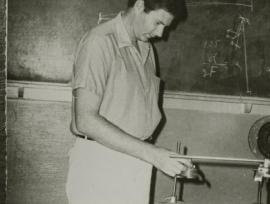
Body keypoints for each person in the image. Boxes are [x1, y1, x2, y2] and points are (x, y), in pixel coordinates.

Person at [66, 0, 192, 203]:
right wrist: (154, 155)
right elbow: (85, 120)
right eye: (158, 23)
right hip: (99, 166)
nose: (161, 34)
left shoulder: (147, 49)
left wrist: (159, 155)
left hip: (136, 164)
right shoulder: (99, 42)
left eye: (165, 27)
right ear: (140, 5)